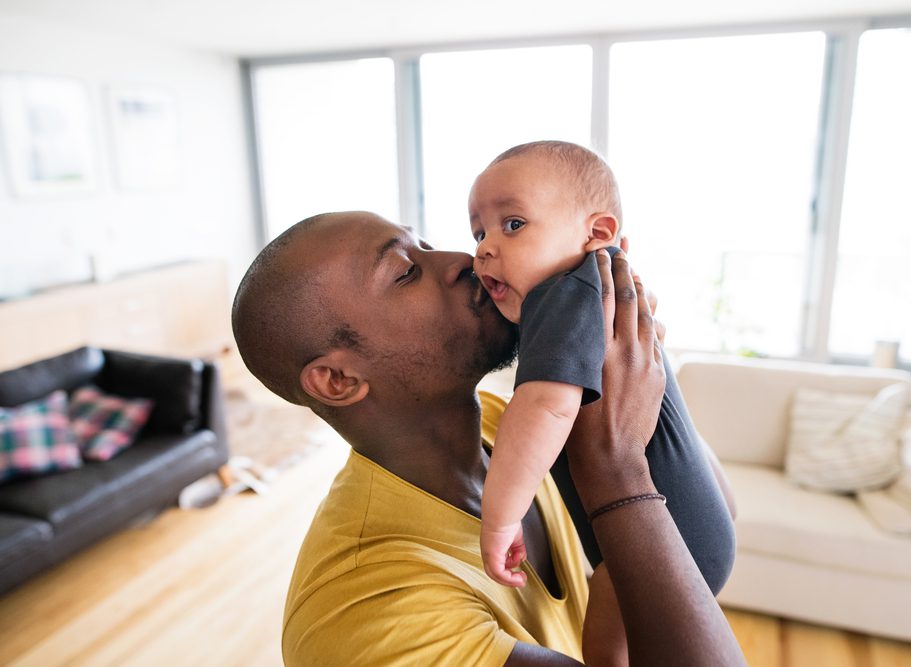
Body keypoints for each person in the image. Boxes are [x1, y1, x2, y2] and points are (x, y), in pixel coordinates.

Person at [232, 210, 746, 665]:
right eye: (406, 273)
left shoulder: (512, 421)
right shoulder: (366, 611)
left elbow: (713, 518)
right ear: (338, 381)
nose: (463, 258)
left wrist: (639, 356)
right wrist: (615, 465)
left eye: (427, 246)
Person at [469, 142, 736, 654]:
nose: (484, 247)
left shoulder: (561, 293)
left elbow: (546, 404)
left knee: (603, 650)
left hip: (650, 543)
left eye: (513, 225)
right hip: (698, 517)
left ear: (596, 233)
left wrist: (502, 517)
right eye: (479, 231)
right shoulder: (608, 284)